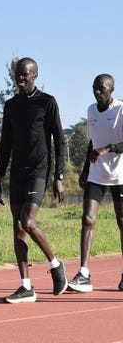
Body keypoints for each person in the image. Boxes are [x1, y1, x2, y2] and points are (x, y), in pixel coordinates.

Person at [0, 57, 68, 303]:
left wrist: (59, 176)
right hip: (18, 172)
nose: (20, 78)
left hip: (39, 170)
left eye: (25, 74)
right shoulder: (11, 105)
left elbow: (60, 140)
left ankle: (56, 264)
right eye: (17, 74)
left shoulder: (47, 102)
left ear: (35, 75)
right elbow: (6, 144)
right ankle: (26, 286)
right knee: (17, 227)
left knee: (27, 221)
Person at [68, 74, 123, 292]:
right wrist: (84, 169)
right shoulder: (91, 110)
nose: (97, 92)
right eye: (94, 88)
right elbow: (92, 142)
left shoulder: (120, 109)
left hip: (120, 174)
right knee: (87, 219)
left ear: (112, 89)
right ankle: (84, 273)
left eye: (102, 89)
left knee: (121, 221)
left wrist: (107, 148)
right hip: (96, 173)